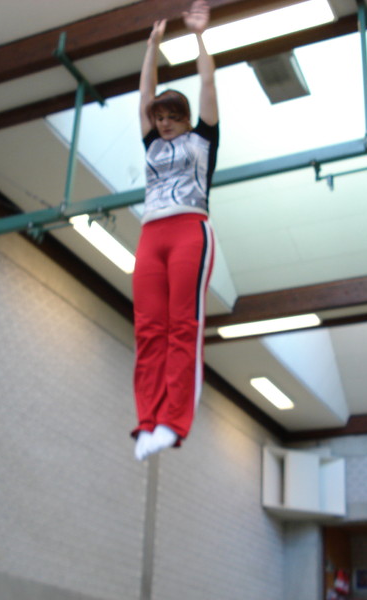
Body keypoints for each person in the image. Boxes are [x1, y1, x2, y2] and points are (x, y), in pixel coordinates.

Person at [131, 0, 219, 461]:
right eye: (158, 117)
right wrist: (152, 45)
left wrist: (199, 36)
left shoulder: (203, 140)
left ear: (184, 119)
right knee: (149, 329)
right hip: (151, 235)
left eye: (171, 117)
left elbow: (208, 83)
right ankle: (147, 421)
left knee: (182, 326)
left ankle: (172, 421)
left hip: (189, 229)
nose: (163, 123)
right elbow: (144, 91)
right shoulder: (151, 143)